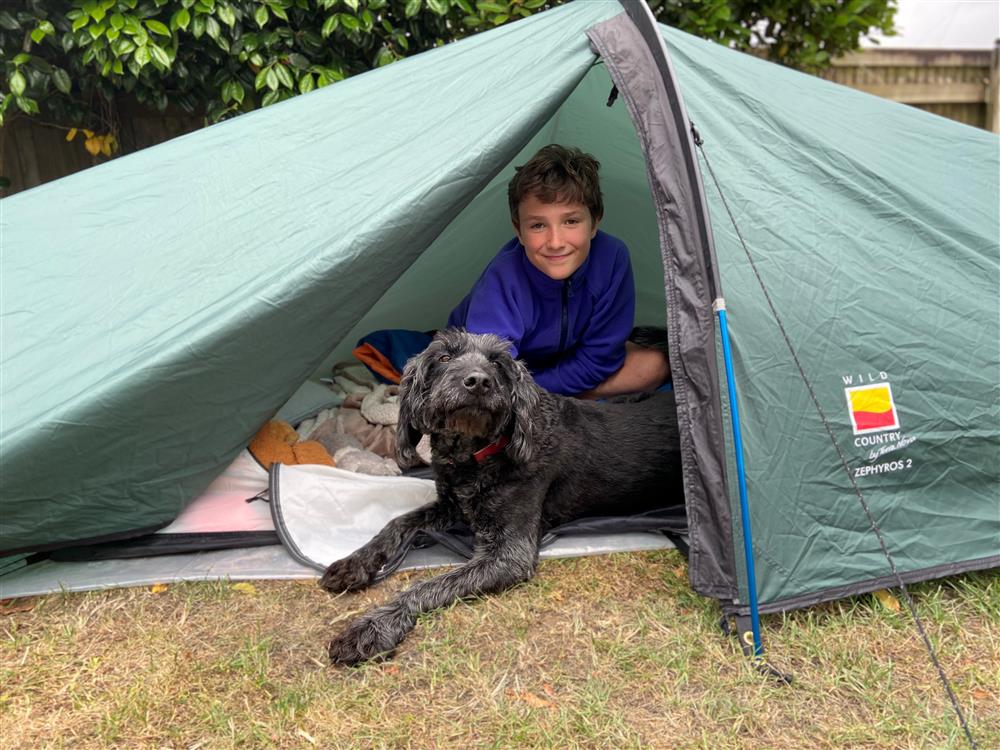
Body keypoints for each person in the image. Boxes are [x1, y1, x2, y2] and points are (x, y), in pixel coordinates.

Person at [448, 144, 669, 398]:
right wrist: (525, 389)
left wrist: (540, 389)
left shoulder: (612, 259)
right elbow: (488, 368)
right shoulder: (504, 275)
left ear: (594, 222)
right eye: (538, 225)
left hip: (561, 364)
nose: (555, 242)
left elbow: (600, 357)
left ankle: (544, 401)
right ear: (519, 231)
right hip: (490, 369)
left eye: (571, 221)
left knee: (653, 365)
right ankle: (550, 402)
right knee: (480, 387)